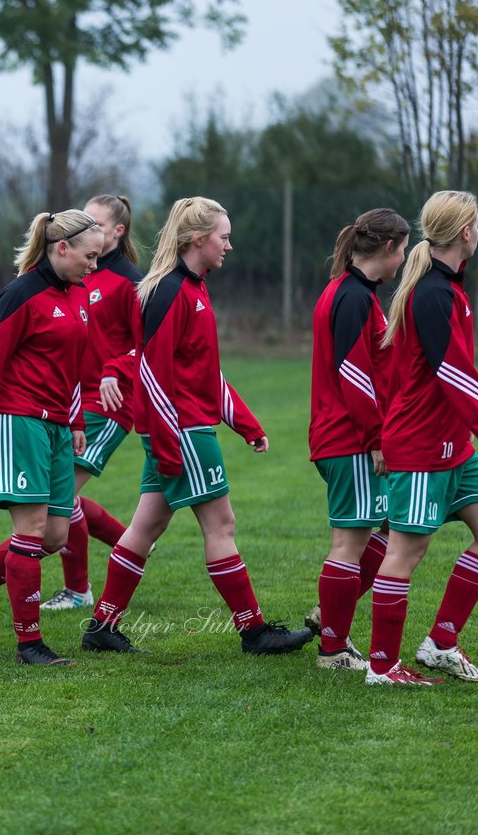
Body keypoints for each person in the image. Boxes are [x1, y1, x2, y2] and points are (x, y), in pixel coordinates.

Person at [79, 196, 313, 656]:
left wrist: (245, 423)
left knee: (146, 525)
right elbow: (154, 375)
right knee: (221, 524)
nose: (229, 245)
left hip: (178, 429)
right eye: (223, 237)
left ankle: (102, 627)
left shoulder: (194, 287)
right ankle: (254, 631)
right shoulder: (169, 290)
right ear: (198, 239)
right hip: (182, 432)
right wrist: (167, 445)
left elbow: (203, 373)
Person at [0, 209, 101, 666]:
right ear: (61, 248)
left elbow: (72, 367)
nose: (94, 265)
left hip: (58, 427)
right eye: (89, 256)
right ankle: (30, 644)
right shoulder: (22, 293)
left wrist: (78, 421)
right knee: (29, 532)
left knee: (54, 536)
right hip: (17, 421)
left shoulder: (78, 295)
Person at [365, 190, 478, 685]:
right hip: (422, 449)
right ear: (464, 232)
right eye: (476, 224)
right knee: (405, 552)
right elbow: (452, 374)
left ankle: (441, 643)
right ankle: (382, 666)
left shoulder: (447, 288)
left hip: (455, 448)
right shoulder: (433, 293)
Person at [306, 209, 409, 671]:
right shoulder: (351, 297)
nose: (404, 259)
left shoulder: (353, 293)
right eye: (403, 249)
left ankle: (330, 618)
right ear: (388, 248)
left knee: (386, 527)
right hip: (349, 438)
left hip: (346, 436)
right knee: (349, 542)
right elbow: (354, 375)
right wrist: (376, 439)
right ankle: (333, 649)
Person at [42, 194, 144, 612]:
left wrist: (112, 370)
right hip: (69, 402)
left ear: (117, 232)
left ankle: (78, 589)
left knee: (56, 500)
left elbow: (148, 348)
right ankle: (130, 543)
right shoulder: (78, 275)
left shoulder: (132, 284)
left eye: (95, 222)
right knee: (61, 495)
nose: (85, 226)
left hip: (109, 405)